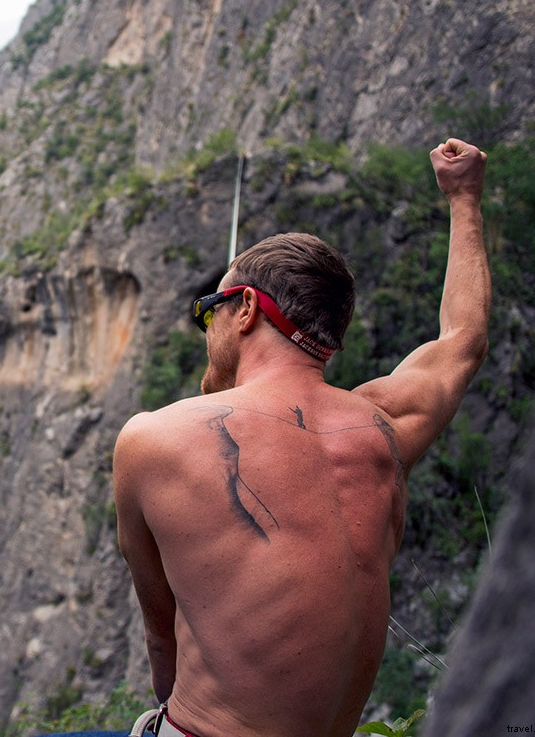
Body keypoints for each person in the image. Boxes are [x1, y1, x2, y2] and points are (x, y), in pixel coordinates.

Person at [111, 138, 491, 736]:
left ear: (245, 310)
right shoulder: (381, 432)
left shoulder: (151, 441)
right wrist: (464, 198)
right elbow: (462, 343)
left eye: (208, 310)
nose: (206, 325)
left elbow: (163, 631)